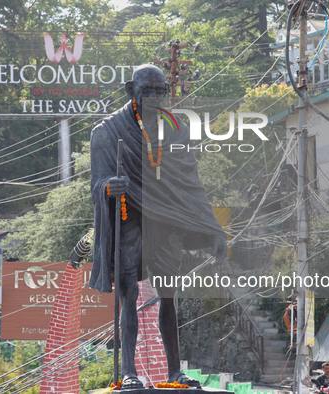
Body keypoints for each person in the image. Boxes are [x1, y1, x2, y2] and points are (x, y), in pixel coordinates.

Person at [89, 64, 228, 389]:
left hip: (165, 221)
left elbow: (190, 185)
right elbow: (97, 183)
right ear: (130, 90)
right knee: (130, 293)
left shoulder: (174, 131)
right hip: (129, 218)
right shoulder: (107, 132)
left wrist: (214, 229)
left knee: (168, 294)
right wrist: (110, 186)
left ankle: (174, 371)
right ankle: (128, 372)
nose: (153, 97)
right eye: (146, 91)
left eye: (159, 91)